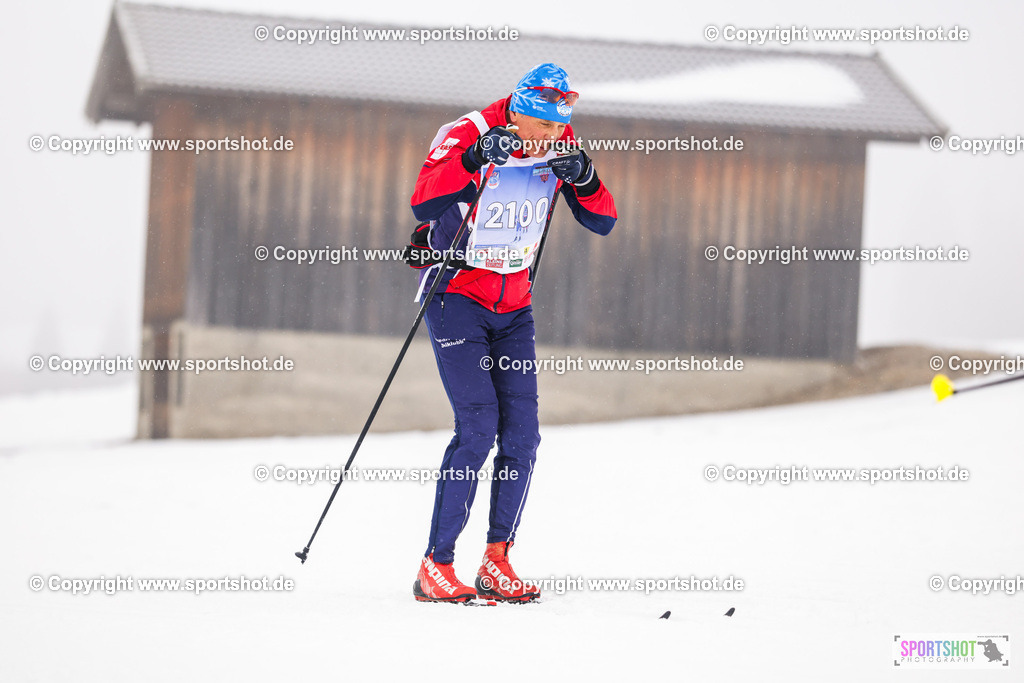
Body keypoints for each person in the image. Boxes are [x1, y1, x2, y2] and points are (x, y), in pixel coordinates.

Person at [408, 63, 617, 603]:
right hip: (457, 298)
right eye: (545, 126)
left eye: (561, 127)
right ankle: (436, 564)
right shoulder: (469, 131)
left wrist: (585, 177)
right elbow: (424, 200)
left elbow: (602, 220)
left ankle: (496, 560)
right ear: (519, 113)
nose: (555, 136)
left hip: (514, 305)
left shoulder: (560, 141)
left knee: (522, 435)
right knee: (478, 428)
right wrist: (473, 159)